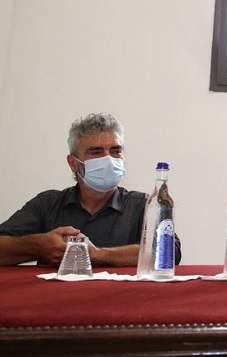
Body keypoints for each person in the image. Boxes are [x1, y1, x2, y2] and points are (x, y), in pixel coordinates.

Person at [0, 112, 182, 266]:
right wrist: (38, 246)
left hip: (119, 297)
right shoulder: (47, 204)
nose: (108, 159)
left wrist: (97, 254)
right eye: (96, 152)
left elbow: (170, 252)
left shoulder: (142, 205)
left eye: (115, 151)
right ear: (73, 163)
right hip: (58, 297)